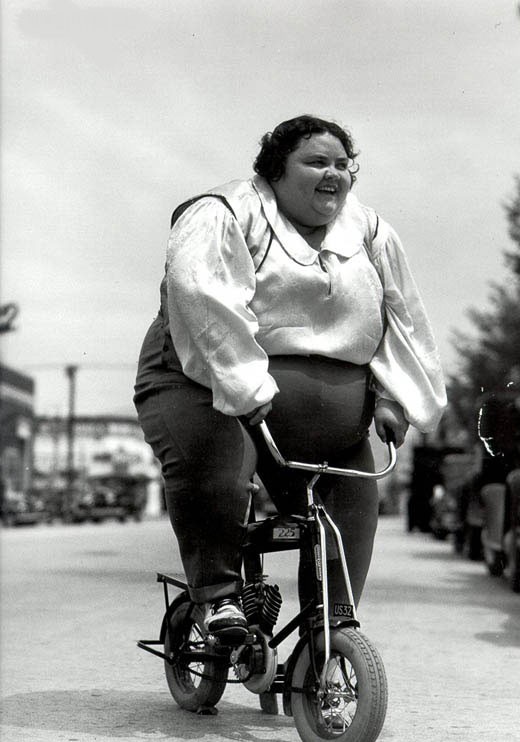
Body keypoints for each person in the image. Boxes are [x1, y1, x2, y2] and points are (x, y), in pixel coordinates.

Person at [134, 115, 446, 639]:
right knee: (218, 469)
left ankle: (331, 631)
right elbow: (203, 301)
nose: (334, 175)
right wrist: (245, 388)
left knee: (348, 516)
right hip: (207, 388)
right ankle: (218, 601)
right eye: (317, 162)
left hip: (329, 427)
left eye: (344, 165)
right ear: (277, 169)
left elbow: (404, 317)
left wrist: (397, 396)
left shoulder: (370, 232)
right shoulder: (225, 213)